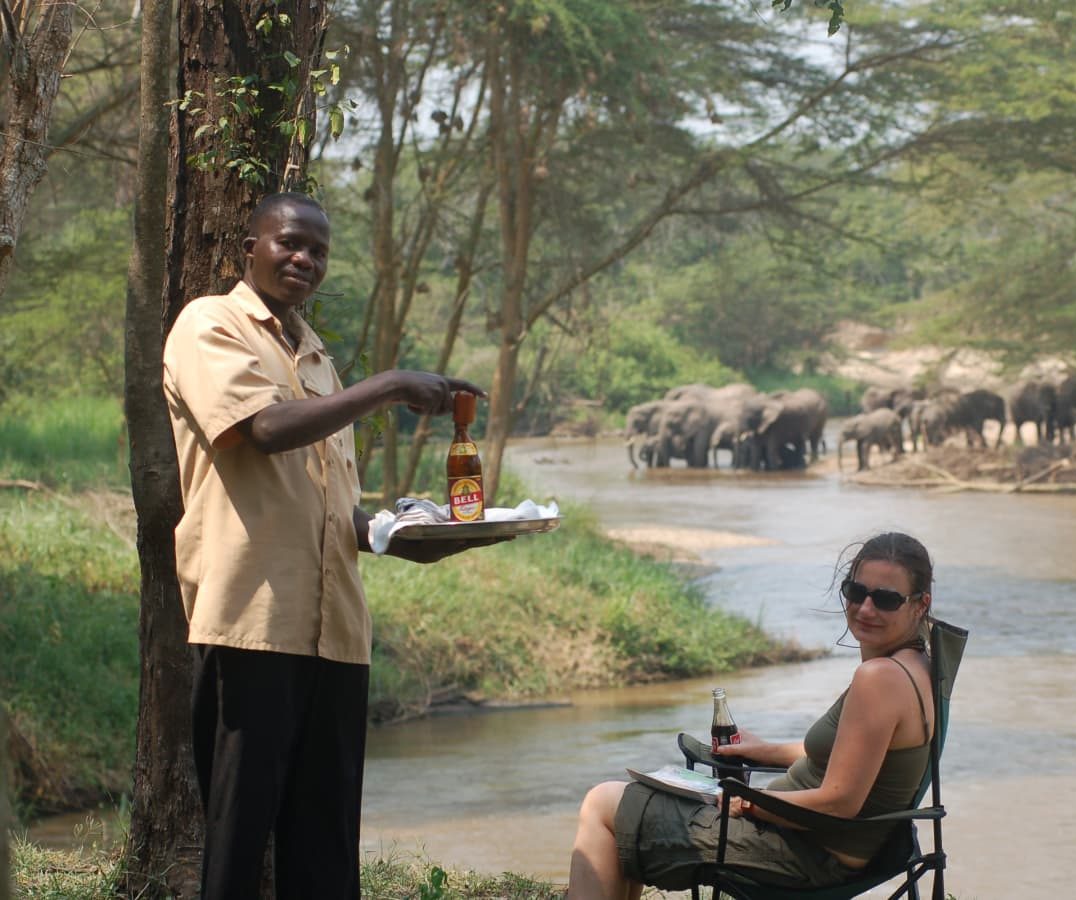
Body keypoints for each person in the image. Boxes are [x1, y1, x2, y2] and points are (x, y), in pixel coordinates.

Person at [163, 191, 501, 899]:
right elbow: (261, 431)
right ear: (249, 247)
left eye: (317, 251)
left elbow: (332, 512)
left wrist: (403, 537)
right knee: (237, 841)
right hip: (252, 623)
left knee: (324, 851)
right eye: (289, 243)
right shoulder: (210, 325)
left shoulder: (315, 356)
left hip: (338, 633)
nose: (303, 259)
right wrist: (390, 385)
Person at [566, 531, 936, 899]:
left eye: (886, 599)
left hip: (803, 853)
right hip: (816, 842)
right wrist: (766, 751)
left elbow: (840, 801)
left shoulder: (880, 679)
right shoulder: (918, 665)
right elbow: (858, 756)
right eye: (856, 592)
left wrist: (747, 802)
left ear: (920, 604)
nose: (866, 608)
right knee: (630, 807)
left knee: (603, 803)